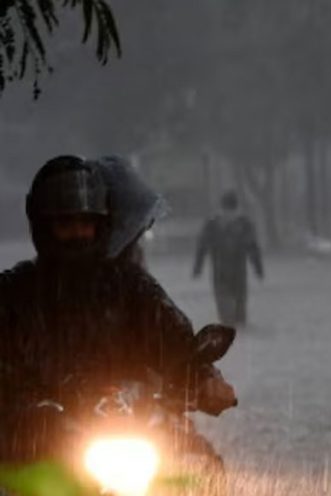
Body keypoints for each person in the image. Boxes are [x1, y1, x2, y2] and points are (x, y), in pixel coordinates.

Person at [0, 155, 236, 417]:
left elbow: (172, 341)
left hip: (128, 426)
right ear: (44, 228)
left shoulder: (130, 287)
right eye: (65, 224)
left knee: (198, 455)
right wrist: (29, 411)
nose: (78, 232)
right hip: (35, 444)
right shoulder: (14, 294)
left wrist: (203, 379)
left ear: (100, 226)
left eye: (86, 223)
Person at [193, 191, 264, 327]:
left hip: (223, 272)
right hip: (233, 272)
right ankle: (238, 333)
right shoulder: (243, 223)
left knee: (230, 313)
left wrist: (198, 268)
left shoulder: (213, 223)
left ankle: (234, 332)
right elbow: (253, 247)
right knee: (235, 312)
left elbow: (202, 246)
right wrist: (258, 269)